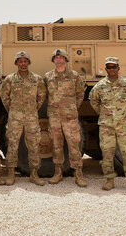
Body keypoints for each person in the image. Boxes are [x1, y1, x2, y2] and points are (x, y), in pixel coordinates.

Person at [89, 56, 126, 192]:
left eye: (114, 66)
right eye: (109, 67)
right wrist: (102, 113)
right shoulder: (100, 86)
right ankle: (109, 180)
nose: (111, 69)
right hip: (106, 126)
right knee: (107, 153)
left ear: (118, 68)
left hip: (123, 124)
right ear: (106, 69)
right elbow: (93, 100)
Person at [0, 50, 46, 186]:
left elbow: (41, 96)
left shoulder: (37, 79)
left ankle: (34, 174)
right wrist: (13, 110)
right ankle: (11, 174)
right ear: (16, 63)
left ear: (28, 63)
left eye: (25, 61)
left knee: (34, 145)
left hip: (31, 117)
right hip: (15, 117)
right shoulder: (10, 79)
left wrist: (33, 109)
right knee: (12, 145)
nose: (23, 64)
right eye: (20, 61)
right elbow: (5, 97)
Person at [44, 49, 87, 187]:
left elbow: (80, 94)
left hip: (70, 117)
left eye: (61, 57)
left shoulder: (74, 76)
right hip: (54, 117)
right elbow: (45, 95)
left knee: (74, 145)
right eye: (56, 57)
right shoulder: (48, 76)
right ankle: (58, 172)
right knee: (56, 145)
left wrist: (72, 107)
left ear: (66, 59)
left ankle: (78, 173)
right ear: (53, 60)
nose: (58, 59)